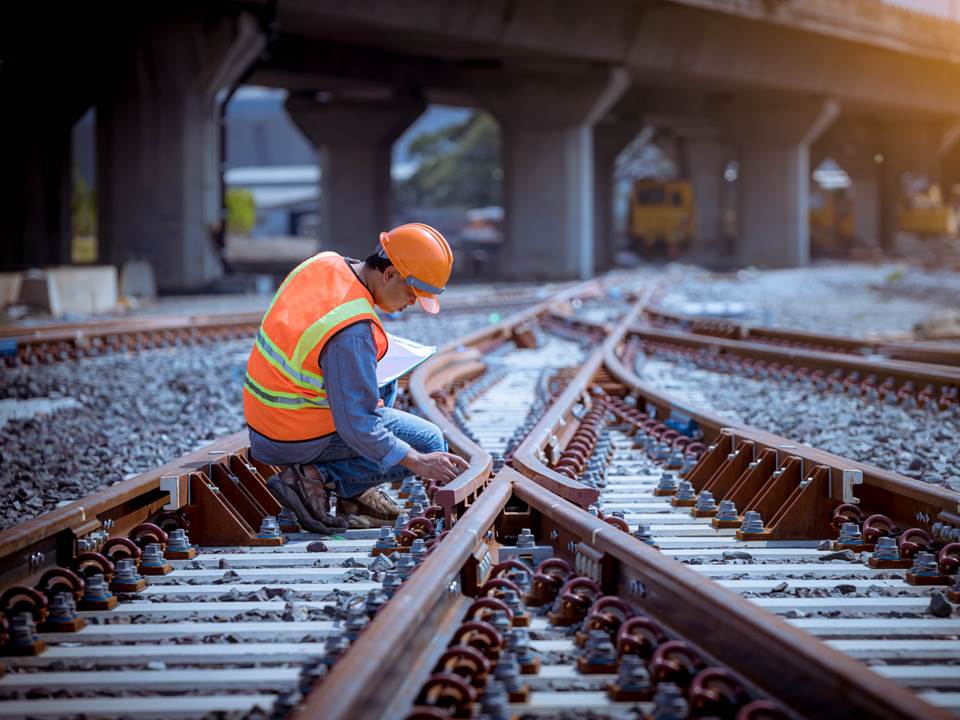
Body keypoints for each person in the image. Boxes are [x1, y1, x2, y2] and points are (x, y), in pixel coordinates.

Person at [243, 223, 470, 532]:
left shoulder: (324, 262)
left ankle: (352, 494)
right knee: (430, 442)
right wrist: (418, 461)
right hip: (291, 432)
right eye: (412, 293)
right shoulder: (352, 331)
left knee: (384, 378)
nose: (412, 303)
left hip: (266, 417)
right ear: (389, 274)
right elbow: (357, 425)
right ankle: (314, 478)